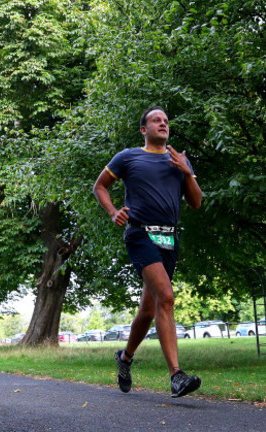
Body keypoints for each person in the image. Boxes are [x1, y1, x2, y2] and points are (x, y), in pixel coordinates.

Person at [93, 106, 203, 398]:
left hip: (169, 238)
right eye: (156, 120)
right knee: (166, 297)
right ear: (144, 129)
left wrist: (187, 173)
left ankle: (125, 358)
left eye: (166, 120)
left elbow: (196, 203)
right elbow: (100, 186)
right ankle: (176, 376)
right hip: (140, 233)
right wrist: (113, 211)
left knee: (149, 309)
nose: (163, 123)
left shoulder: (179, 160)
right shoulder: (129, 157)